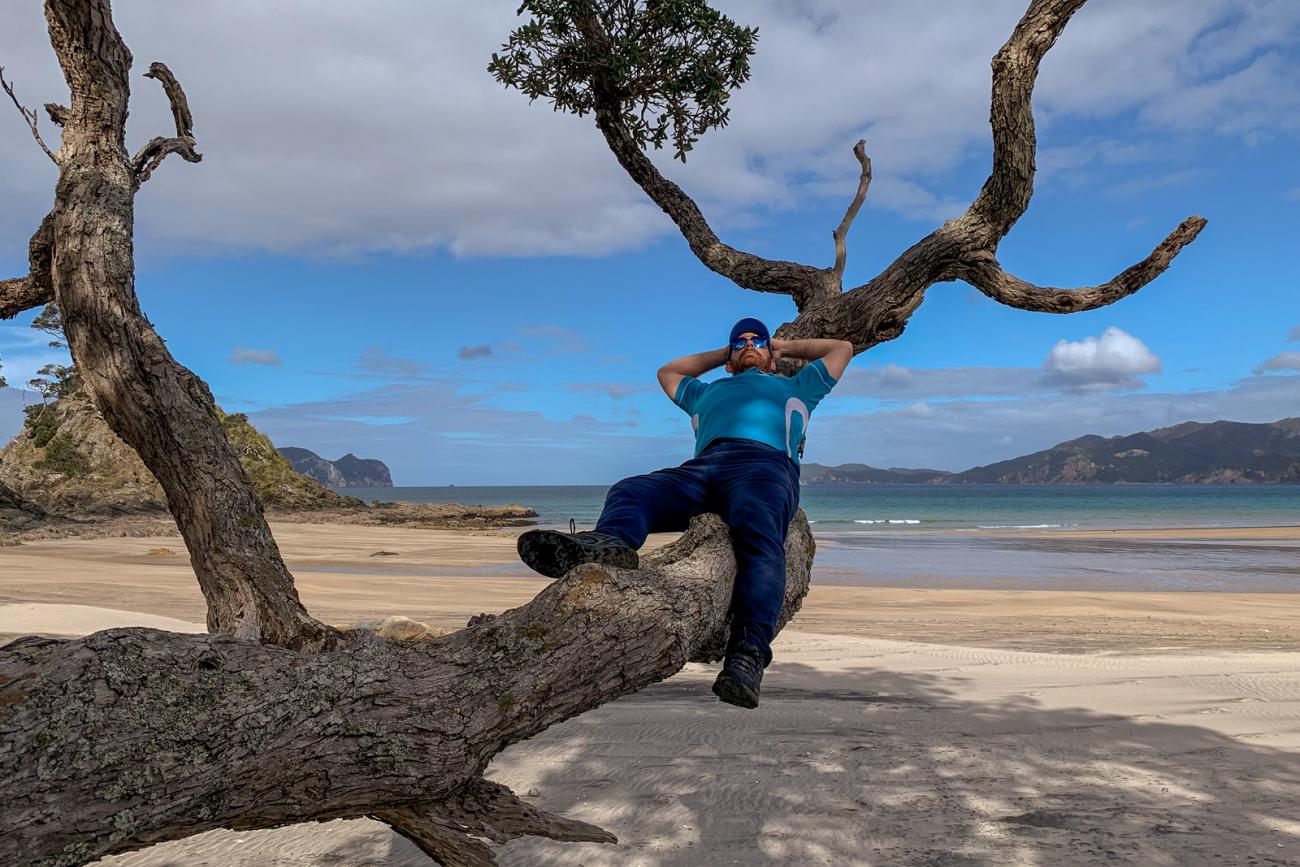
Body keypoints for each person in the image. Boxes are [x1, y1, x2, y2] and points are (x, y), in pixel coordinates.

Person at [517, 318, 853, 708]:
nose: (749, 343)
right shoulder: (705, 392)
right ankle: (610, 543)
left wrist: (779, 345)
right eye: (740, 341)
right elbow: (668, 371)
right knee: (631, 489)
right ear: (729, 360)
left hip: (763, 466)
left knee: (759, 537)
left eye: (755, 340)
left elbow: (841, 348)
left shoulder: (796, 387)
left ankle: (747, 656)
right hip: (703, 469)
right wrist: (726, 353)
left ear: (772, 358)